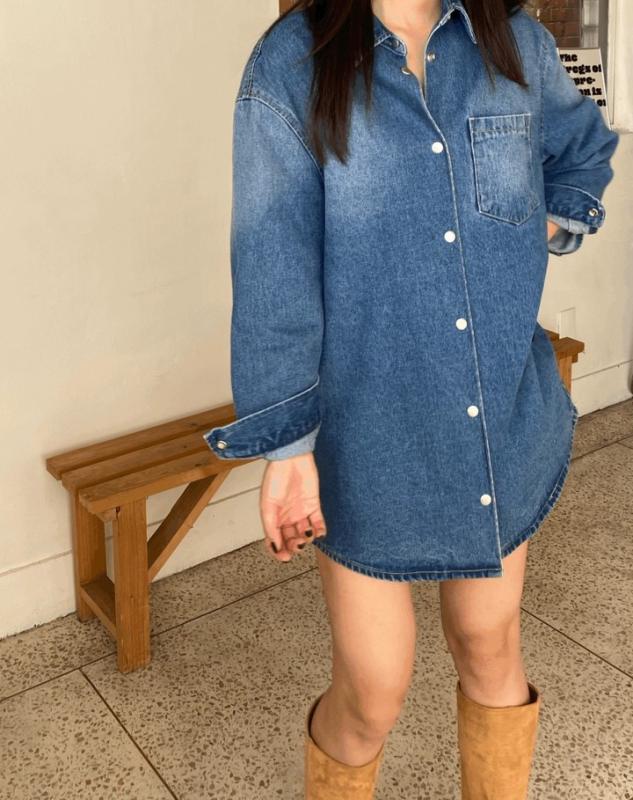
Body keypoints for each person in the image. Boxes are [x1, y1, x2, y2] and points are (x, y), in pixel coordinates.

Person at [202, 0, 619, 797]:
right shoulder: (290, 66)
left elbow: (579, 148)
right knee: (372, 689)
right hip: (367, 431)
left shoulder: (514, 42)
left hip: (496, 413)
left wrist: (543, 227)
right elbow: (273, 267)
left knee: (489, 642)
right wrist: (287, 449)